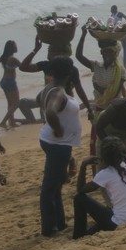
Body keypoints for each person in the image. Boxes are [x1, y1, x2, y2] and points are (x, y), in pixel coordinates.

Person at [72, 136, 126, 239]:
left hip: (121, 224)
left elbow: (81, 189)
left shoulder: (106, 173)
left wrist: (83, 166)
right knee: (106, 216)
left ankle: (78, 234)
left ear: (104, 156)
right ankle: (90, 232)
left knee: (79, 199)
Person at [38, 56, 81, 236]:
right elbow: (50, 111)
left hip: (56, 144)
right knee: (50, 187)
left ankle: (59, 223)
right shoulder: (58, 92)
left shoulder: (53, 89)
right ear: (69, 73)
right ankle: (49, 228)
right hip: (57, 144)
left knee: (56, 185)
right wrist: (58, 130)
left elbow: (40, 102)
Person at [76, 29, 126, 156]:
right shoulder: (96, 66)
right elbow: (79, 56)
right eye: (104, 51)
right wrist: (82, 36)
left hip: (113, 109)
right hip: (99, 109)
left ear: (115, 53)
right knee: (96, 142)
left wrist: (97, 88)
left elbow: (114, 92)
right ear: (101, 52)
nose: (107, 54)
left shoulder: (120, 70)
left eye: (110, 51)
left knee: (114, 140)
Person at [19, 36, 94, 122]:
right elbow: (23, 67)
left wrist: (89, 108)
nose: (48, 53)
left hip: (64, 103)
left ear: (59, 53)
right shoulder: (46, 65)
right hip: (48, 101)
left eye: (50, 51)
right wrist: (35, 50)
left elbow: (79, 89)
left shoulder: (70, 69)